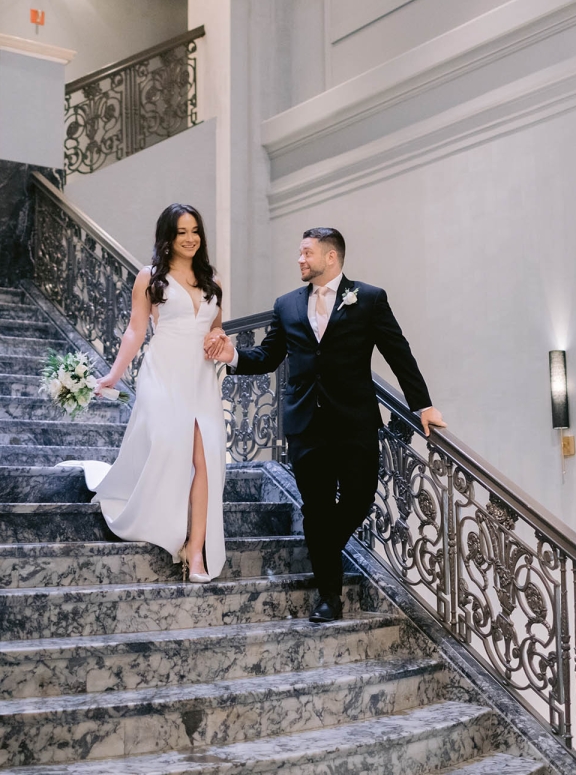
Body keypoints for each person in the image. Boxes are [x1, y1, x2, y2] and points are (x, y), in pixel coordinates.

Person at [205, 227, 446, 620]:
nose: (300, 259)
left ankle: (323, 545)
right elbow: (268, 356)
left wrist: (423, 405)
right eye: (300, 253)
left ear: (331, 256)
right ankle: (329, 598)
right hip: (305, 425)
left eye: (307, 253)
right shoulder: (286, 304)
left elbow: (398, 351)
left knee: (360, 498)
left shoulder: (369, 298)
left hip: (355, 421)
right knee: (316, 509)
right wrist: (232, 356)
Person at [76, 204, 227, 582]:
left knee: (206, 461)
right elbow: (135, 329)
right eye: (181, 232)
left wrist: (218, 338)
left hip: (201, 378)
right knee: (168, 446)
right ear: (168, 237)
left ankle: (195, 551)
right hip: (162, 373)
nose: (190, 238)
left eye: (195, 231)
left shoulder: (212, 279)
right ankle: (156, 516)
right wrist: (114, 374)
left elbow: (217, 327)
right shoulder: (150, 277)